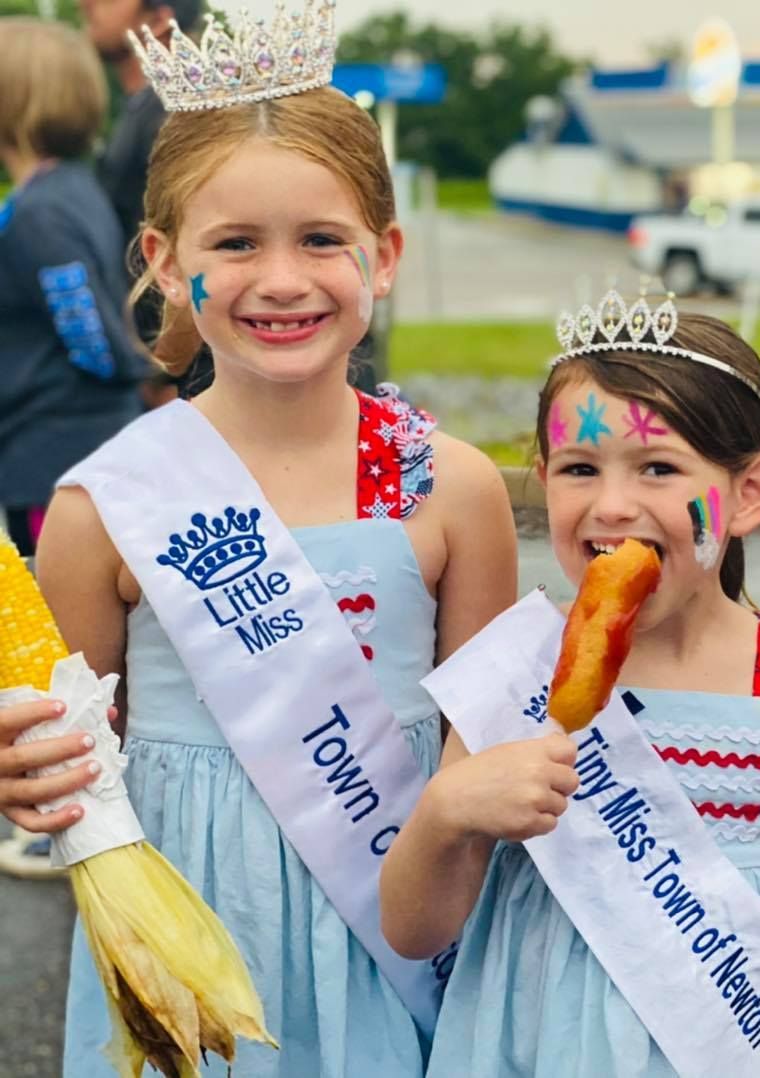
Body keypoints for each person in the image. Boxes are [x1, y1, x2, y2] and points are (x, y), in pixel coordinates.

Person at [0, 12, 517, 1075]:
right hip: (192, 938)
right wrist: (23, 768)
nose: (282, 280)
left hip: (403, 931)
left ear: (384, 257)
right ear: (163, 258)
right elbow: (75, 758)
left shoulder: (455, 492)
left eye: (322, 240)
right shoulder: (105, 507)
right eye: (235, 243)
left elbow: (488, 752)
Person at [379, 304, 760, 1075]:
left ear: (749, 492)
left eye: (658, 468)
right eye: (580, 468)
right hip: (535, 1045)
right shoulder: (510, 673)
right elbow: (415, 931)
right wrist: (447, 813)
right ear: (542, 481)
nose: (612, 505)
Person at [0, 17, 147, 561]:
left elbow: (95, 339)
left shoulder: (42, 212)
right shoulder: (68, 190)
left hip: (57, 456)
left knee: (64, 632)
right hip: (59, 453)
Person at [80, 0, 205, 403]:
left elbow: (193, 252)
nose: (86, 4)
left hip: (183, 386)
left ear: (159, 18)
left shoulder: (176, 116)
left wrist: (166, 375)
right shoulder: (142, 107)